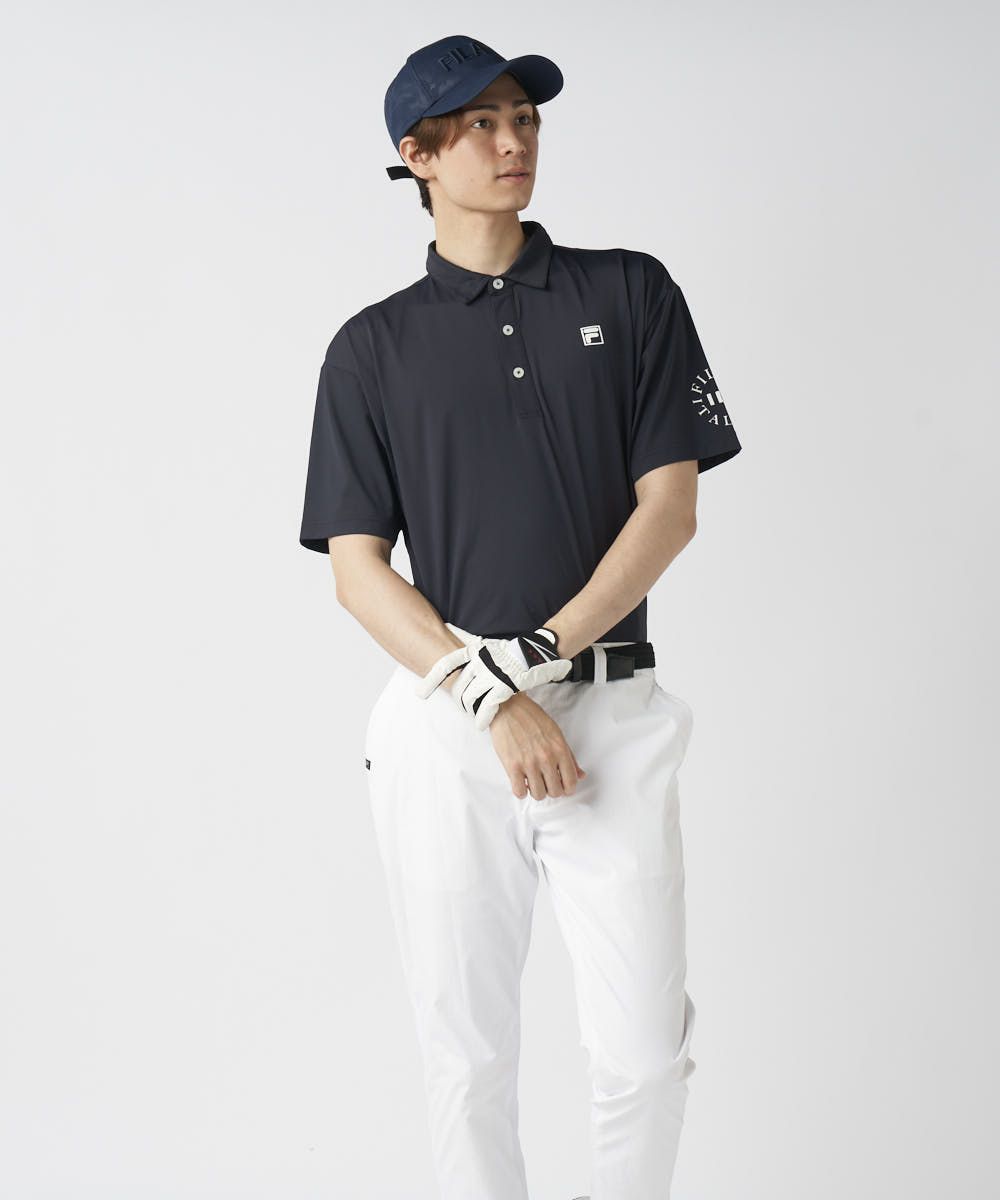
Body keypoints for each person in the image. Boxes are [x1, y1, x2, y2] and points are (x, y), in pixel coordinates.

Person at [298, 33, 742, 1200]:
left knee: (644, 1055)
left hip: (611, 717)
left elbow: (670, 509)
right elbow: (356, 569)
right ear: (418, 156)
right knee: (467, 1057)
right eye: (482, 123)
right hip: (447, 729)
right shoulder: (371, 349)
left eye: (525, 118)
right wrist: (489, 694)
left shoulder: (629, 292)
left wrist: (540, 656)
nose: (514, 141)